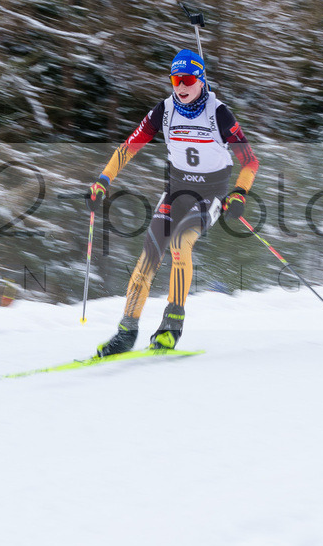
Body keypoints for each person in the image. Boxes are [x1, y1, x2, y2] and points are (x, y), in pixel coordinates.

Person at [86, 49, 259, 354]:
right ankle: (126, 332)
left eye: (188, 79)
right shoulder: (163, 111)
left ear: (201, 80)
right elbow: (129, 147)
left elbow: (250, 162)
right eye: (175, 79)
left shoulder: (219, 114)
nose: (181, 86)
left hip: (211, 194)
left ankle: (171, 327)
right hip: (176, 192)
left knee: (181, 243)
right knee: (150, 251)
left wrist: (239, 193)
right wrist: (103, 180)